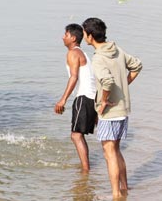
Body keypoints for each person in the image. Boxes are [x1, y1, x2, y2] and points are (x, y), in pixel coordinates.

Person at [82, 17, 142, 199]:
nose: (84, 36)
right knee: (116, 150)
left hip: (110, 112)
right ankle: (124, 188)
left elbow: (107, 82)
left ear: (90, 36)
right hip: (123, 110)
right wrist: (124, 85)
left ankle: (115, 194)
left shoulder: (99, 58)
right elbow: (137, 65)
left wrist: (104, 101)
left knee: (109, 153)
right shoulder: (117, 50)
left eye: (84, 33)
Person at [55, 23, 97, 172]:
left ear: (73, 38)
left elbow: (74, 77)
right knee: (79, 134)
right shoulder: (83, 53)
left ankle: (86, 171)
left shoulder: (73, 53)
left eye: (65, 35)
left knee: (76, 135)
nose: (62, 37)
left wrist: (63, 99)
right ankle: (87, 169)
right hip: (92, 97)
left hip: (83, 97)